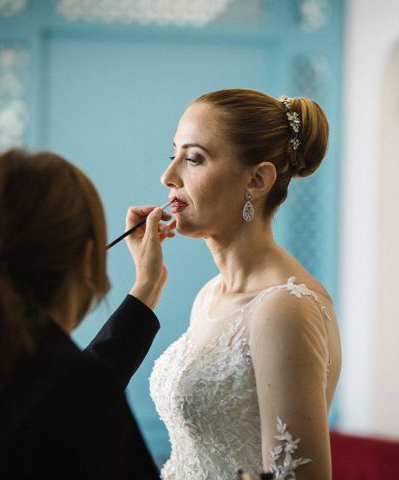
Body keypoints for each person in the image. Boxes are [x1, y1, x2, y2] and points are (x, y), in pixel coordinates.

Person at [149, 89, 341, 479]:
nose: (168, 176)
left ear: (257, 179)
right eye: (174, 155)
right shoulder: (209, 296)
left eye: (194, 159)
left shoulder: (286, 308)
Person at [0, 149, 175, 479]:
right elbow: (68, 398)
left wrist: (147, 285)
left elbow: (49, 388)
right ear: (88, 257)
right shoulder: (75, 389)